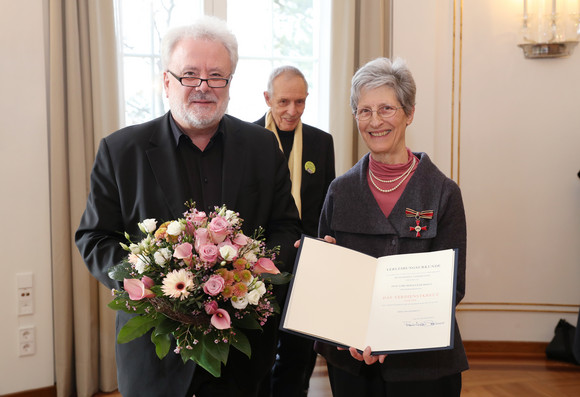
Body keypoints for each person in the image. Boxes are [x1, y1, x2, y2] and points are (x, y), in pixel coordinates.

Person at [75, 16, 301, 397]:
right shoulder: (120, 151)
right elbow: (94, 237)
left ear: (230, 83)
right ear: (167, 81)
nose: (203, 87)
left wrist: (247, 278)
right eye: (189, 75)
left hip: (241, 356)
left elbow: (286, 227)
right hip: (155, 358)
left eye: (217, 76)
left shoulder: (263, 148)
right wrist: (150, 280)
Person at [315, 57, 468, 396]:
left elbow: (451, 286)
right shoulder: (339, 191)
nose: (375, 121)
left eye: (386, 108)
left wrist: (391, 334)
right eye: (364, 110)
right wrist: (314, 266)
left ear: (409, 113)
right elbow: (330, 280)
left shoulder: (443, 192)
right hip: (349, 358)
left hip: (423, 365)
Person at [255, 66, 335, 396]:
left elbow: (326, 203)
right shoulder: (246, 139)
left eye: (300, 102)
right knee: (258, 353)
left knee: (298, 354)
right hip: (259, 264)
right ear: (267, 98)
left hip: (306, 262)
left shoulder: (320, 142)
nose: (292, 111)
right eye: (284, 101)